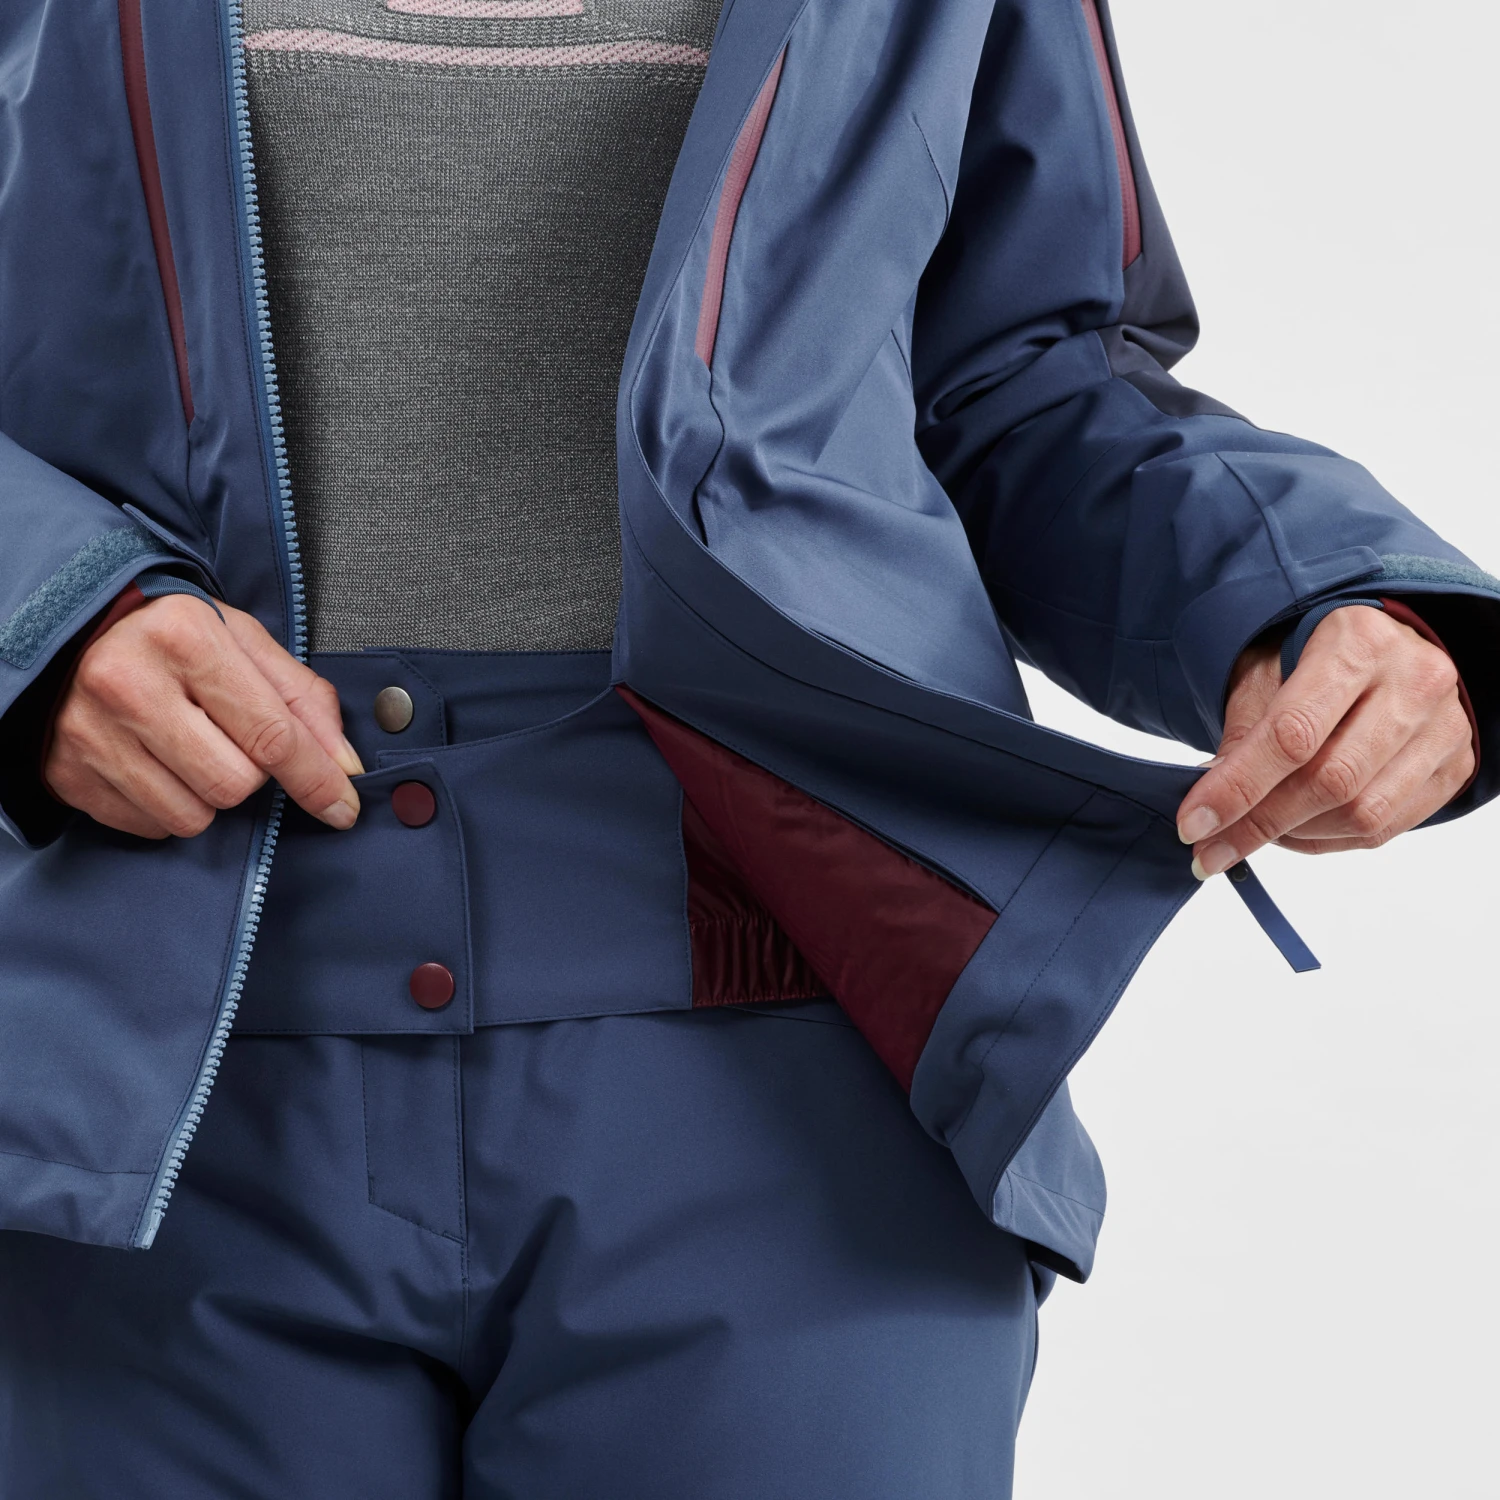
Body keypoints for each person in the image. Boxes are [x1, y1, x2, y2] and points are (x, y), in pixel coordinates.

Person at [0, 0, 1494, 1495]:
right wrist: (45, 618)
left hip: (790, 1064)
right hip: (145, 1057)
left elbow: (1020, 381)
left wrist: (1311, 592)